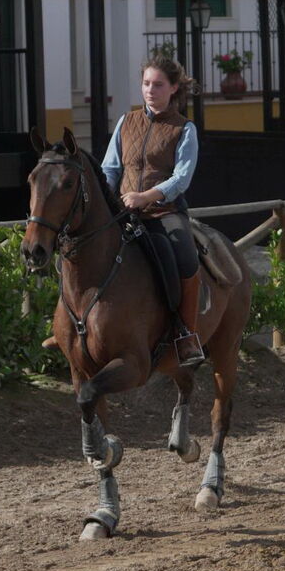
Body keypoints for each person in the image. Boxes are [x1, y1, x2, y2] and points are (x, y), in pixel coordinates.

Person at [101, 56, 203, 366]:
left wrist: (146, 196)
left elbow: (181, 178)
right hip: (123, 211)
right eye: (146, 84)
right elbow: (109, 168)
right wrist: (108, 201)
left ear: (173, 88)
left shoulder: (184, 129)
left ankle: (186, 335)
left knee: (186, 257)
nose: (150, 90)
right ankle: (66, 327)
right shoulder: (125, 121)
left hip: (164, 212)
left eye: (158, 85)